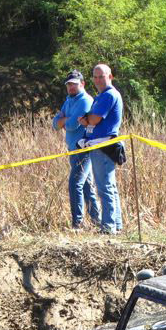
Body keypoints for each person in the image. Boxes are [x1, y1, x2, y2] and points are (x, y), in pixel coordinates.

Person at [78, 63, 124, 234]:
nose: (98, 80)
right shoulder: (101, 96)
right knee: (109, 186)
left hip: (103, 145)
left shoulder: (108, 95)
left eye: (101, 76)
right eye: (95, 77)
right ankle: (116, 224)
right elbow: (91, 119)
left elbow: (95, 119)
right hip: (100, 144)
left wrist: (87, 120)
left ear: (110, 77)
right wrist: (88, 120)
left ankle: (109, 227)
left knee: (105, 187)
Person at [52, 69, 100, 229]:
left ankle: (77, 224)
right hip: (73, 149)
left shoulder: (85, 100)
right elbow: (54, 124)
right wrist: (64, 120)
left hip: (83, 148)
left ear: (82, 84)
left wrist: (63, 120)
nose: (71, 88)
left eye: (74, 84)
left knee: (75, 184)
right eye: (68, 85)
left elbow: (71, 125)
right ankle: (96, 221)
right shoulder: (68, 100)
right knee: (86, 185)